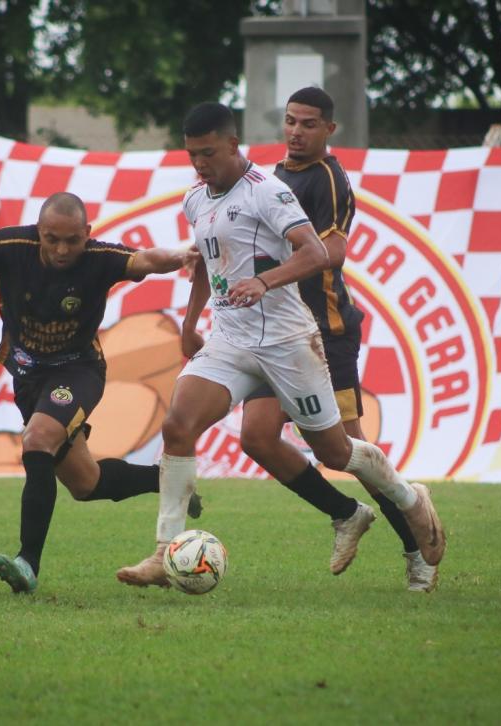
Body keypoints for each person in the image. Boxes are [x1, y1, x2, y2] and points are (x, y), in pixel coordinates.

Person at [116, 103, 446, 588]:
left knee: (335, 452)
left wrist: (265, 282)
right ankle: (166, 551)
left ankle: (410, 499)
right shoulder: (195, 199)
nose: (200, 164)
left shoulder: (269, 192)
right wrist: (190, 322)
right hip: (231, 338)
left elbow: (317, 251)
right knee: (178, 424)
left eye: (208, 153)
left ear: (233, 144)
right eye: (192, 155)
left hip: (289, 341)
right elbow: (209, 262)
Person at [0, 192, 200, 593]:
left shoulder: (99, 259)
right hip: (29, 380)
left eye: (72, 240)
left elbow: (144, 259)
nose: (62, 250)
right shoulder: (11, 247)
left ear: (88, 234)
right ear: (39, 232)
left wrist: (183, 255)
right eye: (51, 239)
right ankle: (164, 480)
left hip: (78, 371)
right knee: (85, 484)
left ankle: (27, 563)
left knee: (38, 439)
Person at [223, 86, 434, 592]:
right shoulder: (271, 178)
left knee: (347, 450)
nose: (296, 131)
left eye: (309, 124)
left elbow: (332, 251)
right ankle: (345, 514)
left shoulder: (328, 180)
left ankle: (418, 544)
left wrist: (269, 276)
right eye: (291, 121)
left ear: (329, 130)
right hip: (277, 334)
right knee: (256, 437)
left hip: (325, 332)